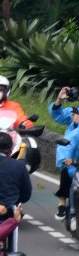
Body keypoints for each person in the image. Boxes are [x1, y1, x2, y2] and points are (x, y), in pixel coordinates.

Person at [0, 131, 32, 232]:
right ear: (11, 149)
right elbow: (26, 194)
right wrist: (15, 200)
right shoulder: (19, 166)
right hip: (9, 211)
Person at [48, 88, 79, 219]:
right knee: (67, 169)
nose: (74, 115)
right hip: (74, 161)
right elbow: (59, 115)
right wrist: (59, 99)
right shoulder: (75, 112)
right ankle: (62, 201)